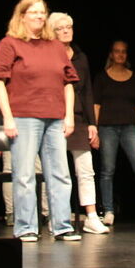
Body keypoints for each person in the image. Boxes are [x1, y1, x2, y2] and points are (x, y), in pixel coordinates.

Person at [0, 0, 80, 242]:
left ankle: (62, 225)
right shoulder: (10, 44)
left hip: (55, 118)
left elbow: (68, 83)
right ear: (22, 16)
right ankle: (26, 227)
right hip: (24, 117)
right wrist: (7, 117)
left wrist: (69, 115)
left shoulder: (56, 47)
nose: (40, 16)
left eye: (43, 12)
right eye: (34, 12)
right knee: (24, 174)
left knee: (60, 174)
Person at [48, 13, 109, 234]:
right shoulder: (48, 54)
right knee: (57, 171)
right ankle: (56, 217)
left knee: (85, 169)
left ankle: (91, 216)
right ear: (52, 32)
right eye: (60, 28)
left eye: (69, 27)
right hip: (54, 118)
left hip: (80, 118)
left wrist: (93, 123)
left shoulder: (81, 57)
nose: (66, 31)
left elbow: (88, 92)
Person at [94, 40, 135, 227]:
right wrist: (95, 129)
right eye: (117, 51)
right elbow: (96, 106)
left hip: (130, 128)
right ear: (111, 54)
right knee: (107, 170)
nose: (120, 55)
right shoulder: (101, 78)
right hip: (107, 128)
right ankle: (108, 211)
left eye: (123, 52)